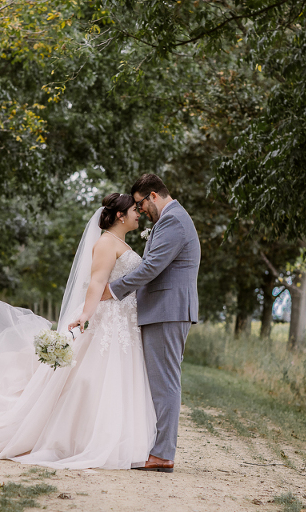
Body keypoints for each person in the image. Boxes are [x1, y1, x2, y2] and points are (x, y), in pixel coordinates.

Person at [0, 193, 156, 470]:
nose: (139, 213)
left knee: (119, 379)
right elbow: (96, 283)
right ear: (119, 215)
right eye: (134, 210)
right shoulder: (105, 243)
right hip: (106, 319)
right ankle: (80, 440)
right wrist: (85, 315)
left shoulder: (120, 242)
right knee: (93, 379)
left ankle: (123, 442)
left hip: (124, 320)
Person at [103, 173, 201, 473]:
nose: (140, 210)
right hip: (164, 310)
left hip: (167, 310)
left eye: (140, 204)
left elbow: (152, 267)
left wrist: (114, 289)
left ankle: (162, 455)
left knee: (165, 383)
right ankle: (157, 449)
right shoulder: (171, 219)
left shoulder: (173, 221)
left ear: (153, 196)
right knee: (160, 382)